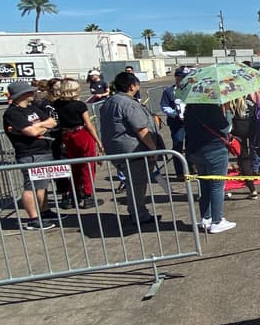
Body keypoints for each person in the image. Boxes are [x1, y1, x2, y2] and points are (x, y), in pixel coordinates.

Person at [98, 72, 161, 228]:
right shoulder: (128, 104)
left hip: (117, 150)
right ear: (132, 86)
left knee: (133, 184)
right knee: (138, 185)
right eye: (136, 84)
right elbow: (141, 129)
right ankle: (139, 215)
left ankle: (136, 211)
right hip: (133, 151)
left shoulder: (109, 102)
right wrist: (154, 149)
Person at [3, 80, 60, 231]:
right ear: (21, 94)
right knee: (31, 187)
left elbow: (52, 122)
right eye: (29, 92)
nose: (33, 94)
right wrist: (40, 127)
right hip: (30, 154)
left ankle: (44, 211)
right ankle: (33, 219)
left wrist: (38, 126)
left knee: (42, 185)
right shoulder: (12, 113)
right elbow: (31, 132)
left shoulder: (32, 108)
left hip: (44, 151)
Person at [183, 99, 236, 233]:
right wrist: (228, 111)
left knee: (204, 184)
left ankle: (206, 218)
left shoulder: (189, 109)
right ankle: (217, 221)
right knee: (217, 186)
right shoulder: (211, 108)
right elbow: (226, 127)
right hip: (214, 150)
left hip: (196, 150)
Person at [53, 79, 104, 208]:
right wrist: (98, 141)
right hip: (81, 134)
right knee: (87, 165)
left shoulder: (57, 104)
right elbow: (88, 124)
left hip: (67, 135)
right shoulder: (79, 105)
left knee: (74, 166)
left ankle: (73, 194)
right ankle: (87, 195)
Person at [160, 66, 194, 182]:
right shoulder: (169, 91)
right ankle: (180, 172)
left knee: (192, 146)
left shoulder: (192, 90)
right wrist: (175, 113)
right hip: (176, 124)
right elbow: (164, 106)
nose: (184, 79)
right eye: (182, 77)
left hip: (191, 123)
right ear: (177, 77)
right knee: (177, 147)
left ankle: (192, 169)